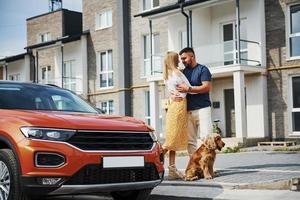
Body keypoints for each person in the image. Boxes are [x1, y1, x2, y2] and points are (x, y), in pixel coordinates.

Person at [175, 47, 213, 157]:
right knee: (190, 141)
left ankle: (207, 167)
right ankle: (195, 167)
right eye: (181, 59)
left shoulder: (203, 69)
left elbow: (206, 87)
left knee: (206, 138)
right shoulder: (183, 73)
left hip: (203, 108)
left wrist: (189, 89)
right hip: (188, 111)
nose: (183, 61)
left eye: (184, 58)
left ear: (192, 56)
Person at [162, 51, 191, 180]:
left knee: (173, 137)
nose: (179, 61)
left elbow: (171, 92)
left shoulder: (166, 75)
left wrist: (173, 95)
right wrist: (181, 94)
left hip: (173, 106)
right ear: (173, 60)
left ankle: (172, 170)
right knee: (173, 139)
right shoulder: (177, 73)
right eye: (177, 59)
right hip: (179, 106)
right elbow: (188, 87)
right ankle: (157, 154)